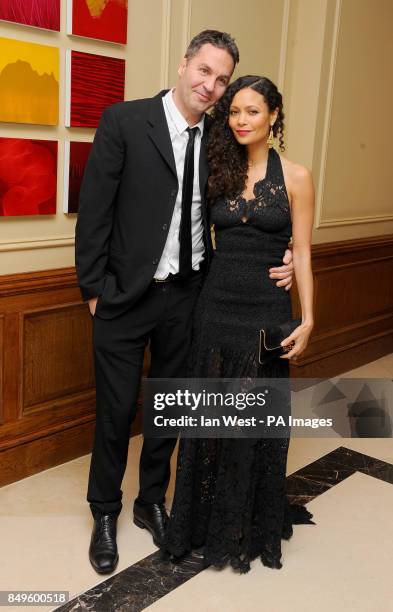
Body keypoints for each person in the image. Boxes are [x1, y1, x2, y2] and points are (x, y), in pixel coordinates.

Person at [75, 32, 294, 575]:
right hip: (124, 299)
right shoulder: (125, 121)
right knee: (117, 411)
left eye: (221, 79)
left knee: (168, 406)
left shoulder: (224, 135)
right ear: (183, 65)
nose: (211, 86)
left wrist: (287, 250)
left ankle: (152, 500)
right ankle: (105, 512)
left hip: (190, 298)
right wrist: (94, 290)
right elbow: (94, 211)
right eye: (204, 71)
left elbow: (265, 195)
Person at [162, 75, 315, 573]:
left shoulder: (296, 176)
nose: (242, 121)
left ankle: (245, 524)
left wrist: (309, 317)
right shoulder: (216, 169)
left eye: (253, 111)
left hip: (266, 312)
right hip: (215, 305)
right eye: (234, 113)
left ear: (274, 114)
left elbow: (306, 251)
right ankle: (201, 523)